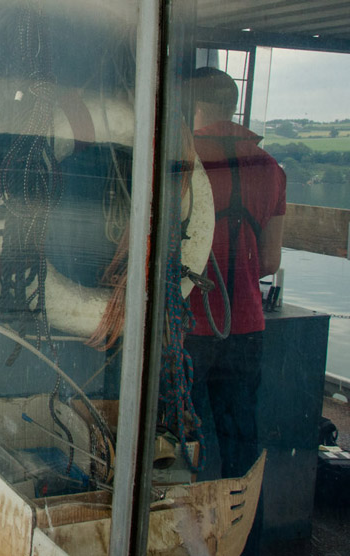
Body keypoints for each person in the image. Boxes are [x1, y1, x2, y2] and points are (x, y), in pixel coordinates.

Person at [184, 66, 286, 553]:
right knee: (241, 446)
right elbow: (270, 260)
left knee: (176, 445)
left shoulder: (183, 159)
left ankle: (180, 542)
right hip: (246, 327)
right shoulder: (271, 169)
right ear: (233, 105)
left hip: (190, 326)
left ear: (194, 106)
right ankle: (245, 544)